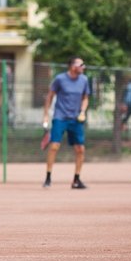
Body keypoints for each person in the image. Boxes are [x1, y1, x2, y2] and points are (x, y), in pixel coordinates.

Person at [42, 56, 90, 189]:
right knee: (54, 146)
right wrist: (46, 115)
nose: (83, 67)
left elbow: (85, 98)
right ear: (73, 66)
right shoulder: (60, 79)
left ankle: (76, 180)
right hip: (60, 116)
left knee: (80, 149)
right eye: (81, 65)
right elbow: (50, 96)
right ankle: (48, 178)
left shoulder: (84, 80)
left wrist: (82, 111)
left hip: (76, 118)